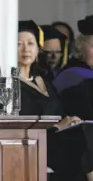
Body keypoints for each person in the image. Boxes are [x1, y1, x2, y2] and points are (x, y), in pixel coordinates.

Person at [17, 20, 92, 181]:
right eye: (19, 44)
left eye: (31, 43)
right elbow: (14, 125)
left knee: (85, 130)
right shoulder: (9, 85)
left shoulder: (44, 81)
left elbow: (60, 112)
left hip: (59, 141)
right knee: (82, 137)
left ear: (38, 49)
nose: (26, 49)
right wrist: (57, 127)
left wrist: (70, 121)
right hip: (36, 142)